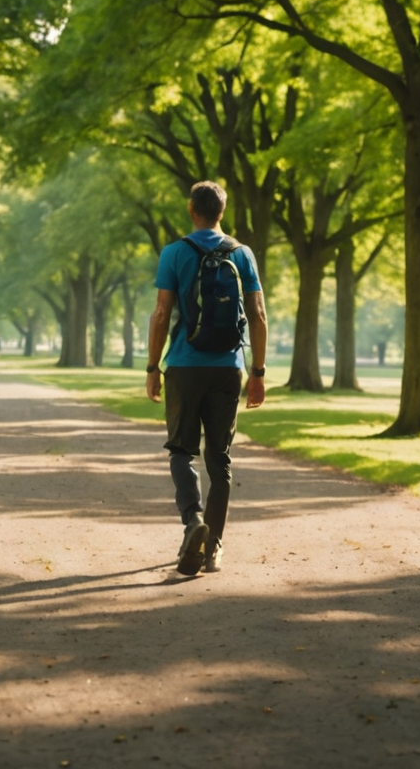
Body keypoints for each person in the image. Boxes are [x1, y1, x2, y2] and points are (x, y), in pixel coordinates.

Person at [144, 180, 266, 577]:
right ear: (222, 211)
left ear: (191, 209)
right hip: (228, 368)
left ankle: (193, 520)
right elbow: (259, 315)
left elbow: (161, 314)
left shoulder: (174, 252)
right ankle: (212, 547)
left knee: (181, 451)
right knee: (220, 458)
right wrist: (258, 373)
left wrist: (152, 368)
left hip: (183, 365)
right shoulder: (242, 253)